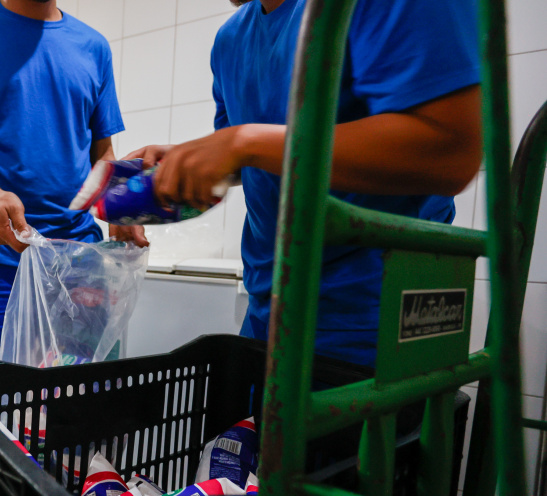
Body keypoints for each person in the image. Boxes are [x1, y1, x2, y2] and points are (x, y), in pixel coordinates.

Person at [128, 0, 482, 367]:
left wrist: (243, 143)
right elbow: (262, 154)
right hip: (269, 314)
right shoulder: (231, 39)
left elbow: (451, 151)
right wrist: (187, 161)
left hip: (379, 323)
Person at [0, 0, 148, 359]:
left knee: (81, 401)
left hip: (81, 259)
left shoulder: (94, 46)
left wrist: (119, 206)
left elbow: (102, 153)